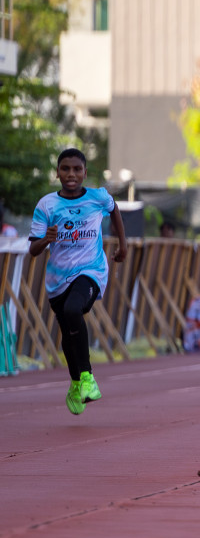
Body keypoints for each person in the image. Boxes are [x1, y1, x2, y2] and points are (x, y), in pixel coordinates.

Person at [28, 147, 126, 415]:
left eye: (77, 169)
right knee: (68, 330)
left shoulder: (97, 197)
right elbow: (33, 250)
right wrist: (45, 240)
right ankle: (75, 382)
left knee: (74, 310)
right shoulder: (46, 205)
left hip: (91, 270)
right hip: (57, 280)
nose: (71, 174)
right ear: (57, 173)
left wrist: (122, 245)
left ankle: (87, 377)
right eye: (65, 169)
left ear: (84, 173)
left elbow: (114, 209)